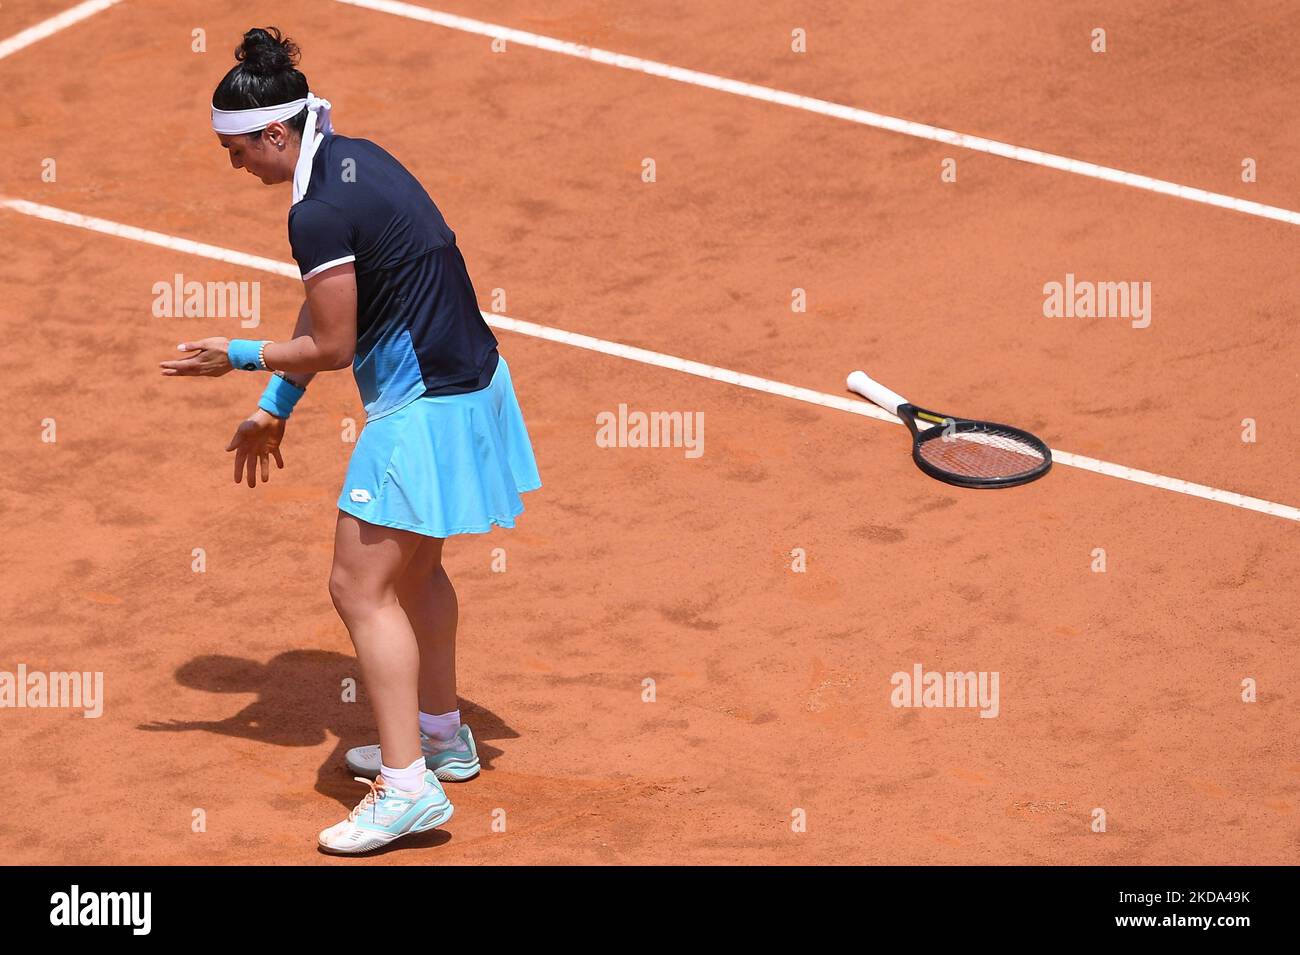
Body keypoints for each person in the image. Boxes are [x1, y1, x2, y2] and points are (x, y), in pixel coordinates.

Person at [161, 26, 541, 854]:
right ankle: (441, 736)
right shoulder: (354, 159)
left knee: (357, 586)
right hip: (474, 382)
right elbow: (337, 308)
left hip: (423, 410)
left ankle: (407, 787)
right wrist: (275, 403)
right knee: (419, 568)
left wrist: (237, 355)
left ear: (274, 132)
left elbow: (333, 345)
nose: (235, 167)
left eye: (237, 151)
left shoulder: (317, 210)